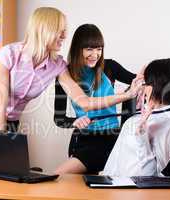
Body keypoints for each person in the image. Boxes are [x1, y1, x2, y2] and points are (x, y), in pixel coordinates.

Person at [0, 8, 142, 169]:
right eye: (60, 31)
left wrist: (129, 95)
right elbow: (1, 100)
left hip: (11, 122)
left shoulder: (58, 66)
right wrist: (0, 141)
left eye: (64, 32)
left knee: (8, 179)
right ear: (44, 30)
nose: (64, 36)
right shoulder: (9, 54)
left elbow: (84, 102)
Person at [54, 24, 137, 175]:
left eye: (99, 49)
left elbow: (137, 81)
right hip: (83, 140)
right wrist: (74, 122)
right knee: (61, 180)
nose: (95, 54)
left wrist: (145, 79)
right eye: (89, 49)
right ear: (78, 49)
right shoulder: (64, 75)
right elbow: (59, 119)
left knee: (58, 177)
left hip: (109, 138)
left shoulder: (110, 67)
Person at [102, 58, 170, 177]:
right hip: (112, 181)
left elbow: (154, 172)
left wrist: (141, 135)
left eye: (146, 83)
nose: (143, 87)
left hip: (134, 189)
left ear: (155, 87)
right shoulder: (153, 107)